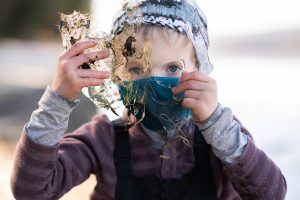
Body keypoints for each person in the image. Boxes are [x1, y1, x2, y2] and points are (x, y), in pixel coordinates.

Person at [10, 0, 287, 199]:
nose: (154, 83)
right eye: (136, 69)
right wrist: (58, 99)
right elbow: (31, 191)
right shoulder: (103, 139)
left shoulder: (222, 136)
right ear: (117, 76)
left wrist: (215, 121)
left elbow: (272, 193)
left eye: (172, 68)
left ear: (199, 70)